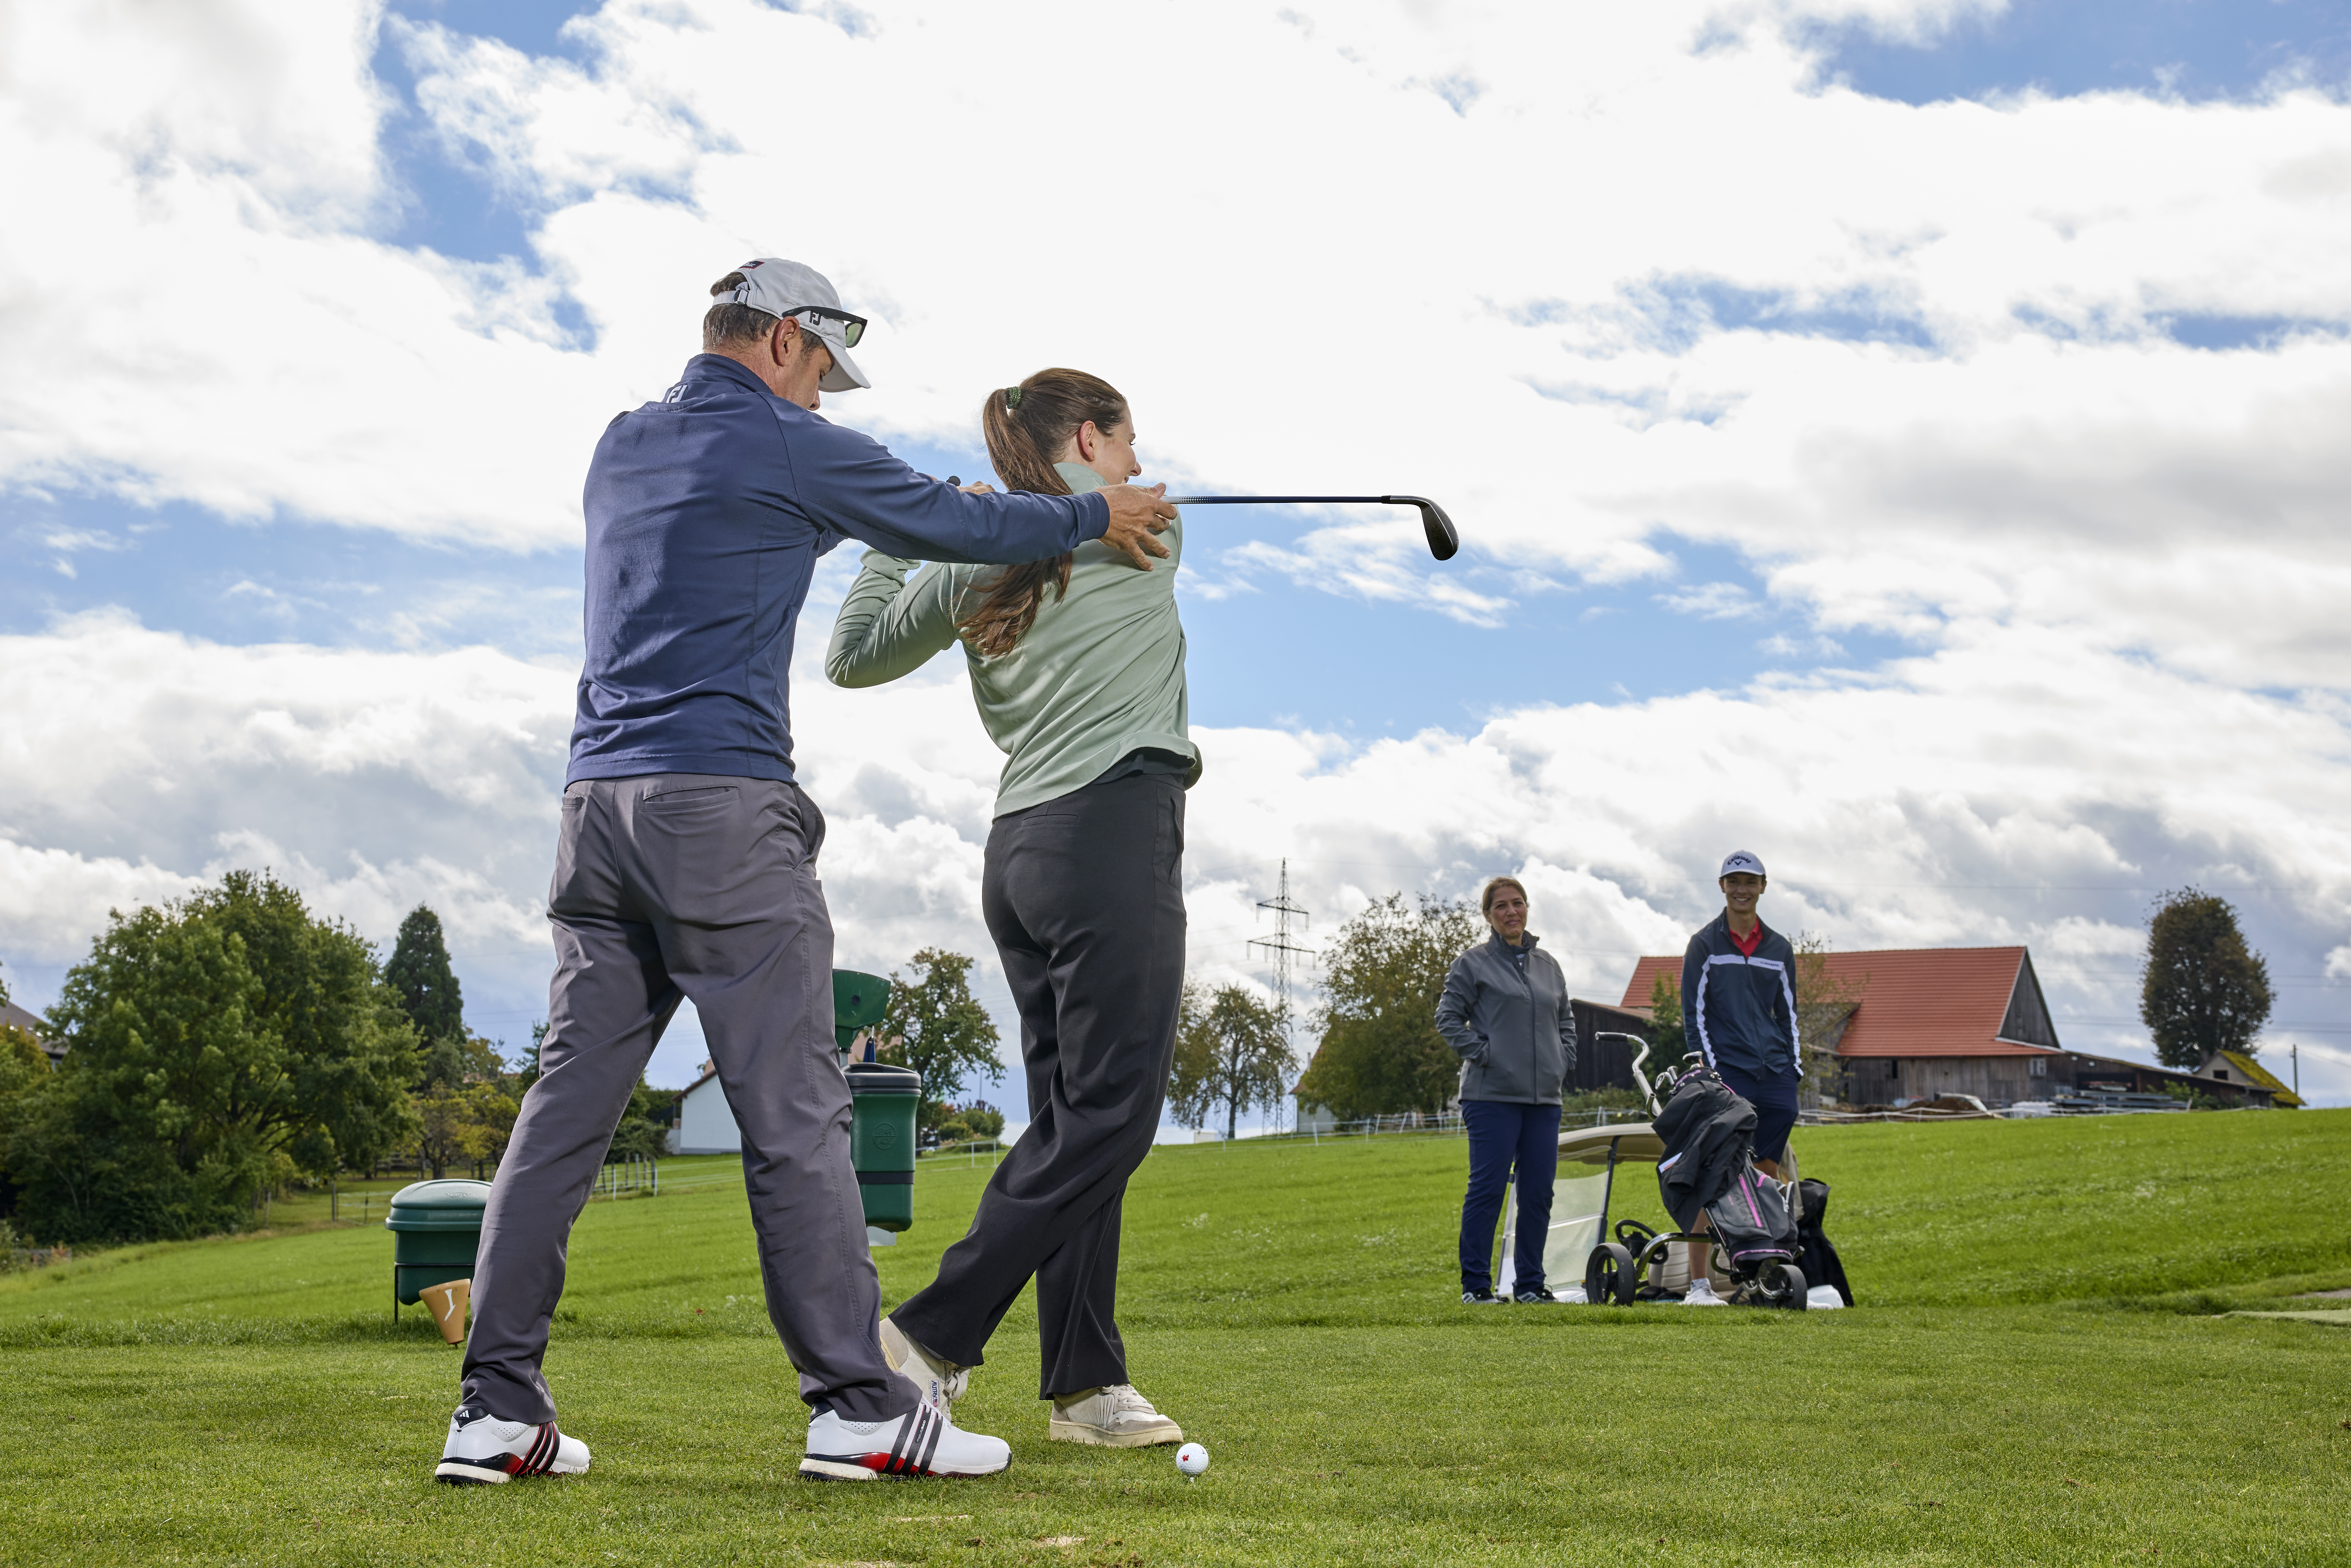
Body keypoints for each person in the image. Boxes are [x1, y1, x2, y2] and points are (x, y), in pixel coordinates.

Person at [434, 261, 1178, 1487]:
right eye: (821, 371)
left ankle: (495, 1408)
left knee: (563, 1114)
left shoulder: (621, 444)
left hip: (593, 812)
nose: (824, 398)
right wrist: (1091, 516)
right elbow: (969, 527)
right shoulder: (784, 442)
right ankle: (859, 1405)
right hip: (719, 812)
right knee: (797, 1109)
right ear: (784, 339)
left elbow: (849, 535)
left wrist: (908, 505)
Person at [824, 368, 1194, 1451]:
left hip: (1024, 857)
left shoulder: (966, 548)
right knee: (1112, 1119)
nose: (1139, 464)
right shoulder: (1147, 534)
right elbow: (1113, 504)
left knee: (1076, 1123)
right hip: (1114, 836)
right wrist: (1087, 496)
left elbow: (852, 657)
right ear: (1088, 436)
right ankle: (929, 1336)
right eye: (1126, 441)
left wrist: (911, 534)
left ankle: (1086, 1385)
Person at [1435, 876, 1576, 1305]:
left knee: (1537, 1192)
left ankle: (1530, 1284)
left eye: (1518, 904)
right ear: (1488, 916)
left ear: (1527, 909)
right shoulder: (1472, 963)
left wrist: (1562, 1059)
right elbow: (1447, 1019)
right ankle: (1475, 1287)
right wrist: (1484, 1053)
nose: (1511, 912)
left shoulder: (1548, 965)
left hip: (1543, 1100)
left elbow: (1566, 1021)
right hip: (1490, 1096)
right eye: (1501, 907)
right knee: (1488, 1189)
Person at [1671, 849, 1801, 1306]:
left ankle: (1760, 1274)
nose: (1741, 889)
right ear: (1721, 887)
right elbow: (1694, 1013)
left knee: (1763, 1174)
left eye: (1749, 881)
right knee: (1712, 1175)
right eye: (1733, 881)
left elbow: (1788, 1015)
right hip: (1726, 1072)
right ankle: (1699, 1284)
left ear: (1762, 886)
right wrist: (1707, 1069)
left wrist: (1794, 1067)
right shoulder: (1704, 944)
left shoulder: (1778, 948)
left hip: (1774, 1073)